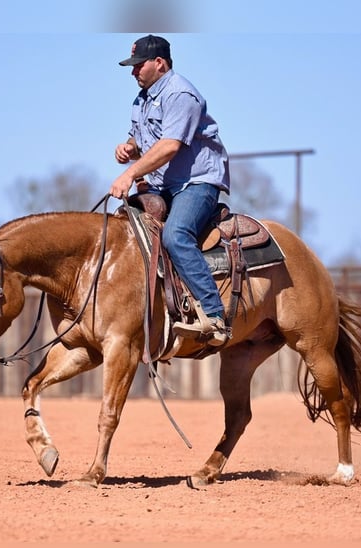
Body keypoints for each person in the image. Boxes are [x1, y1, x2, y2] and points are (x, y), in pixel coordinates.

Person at [110, 35, 230, 347]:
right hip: (163, 185)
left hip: (197, 183)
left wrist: (130, 173)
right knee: (124, 232)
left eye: (138, 65)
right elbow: (143, 140)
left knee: (176, 235)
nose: (133, 72)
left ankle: (215, 316)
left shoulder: (181, 94)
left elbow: (169, 146)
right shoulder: (143, 98)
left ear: (159, 64)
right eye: (132, 66)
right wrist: (129, 148)